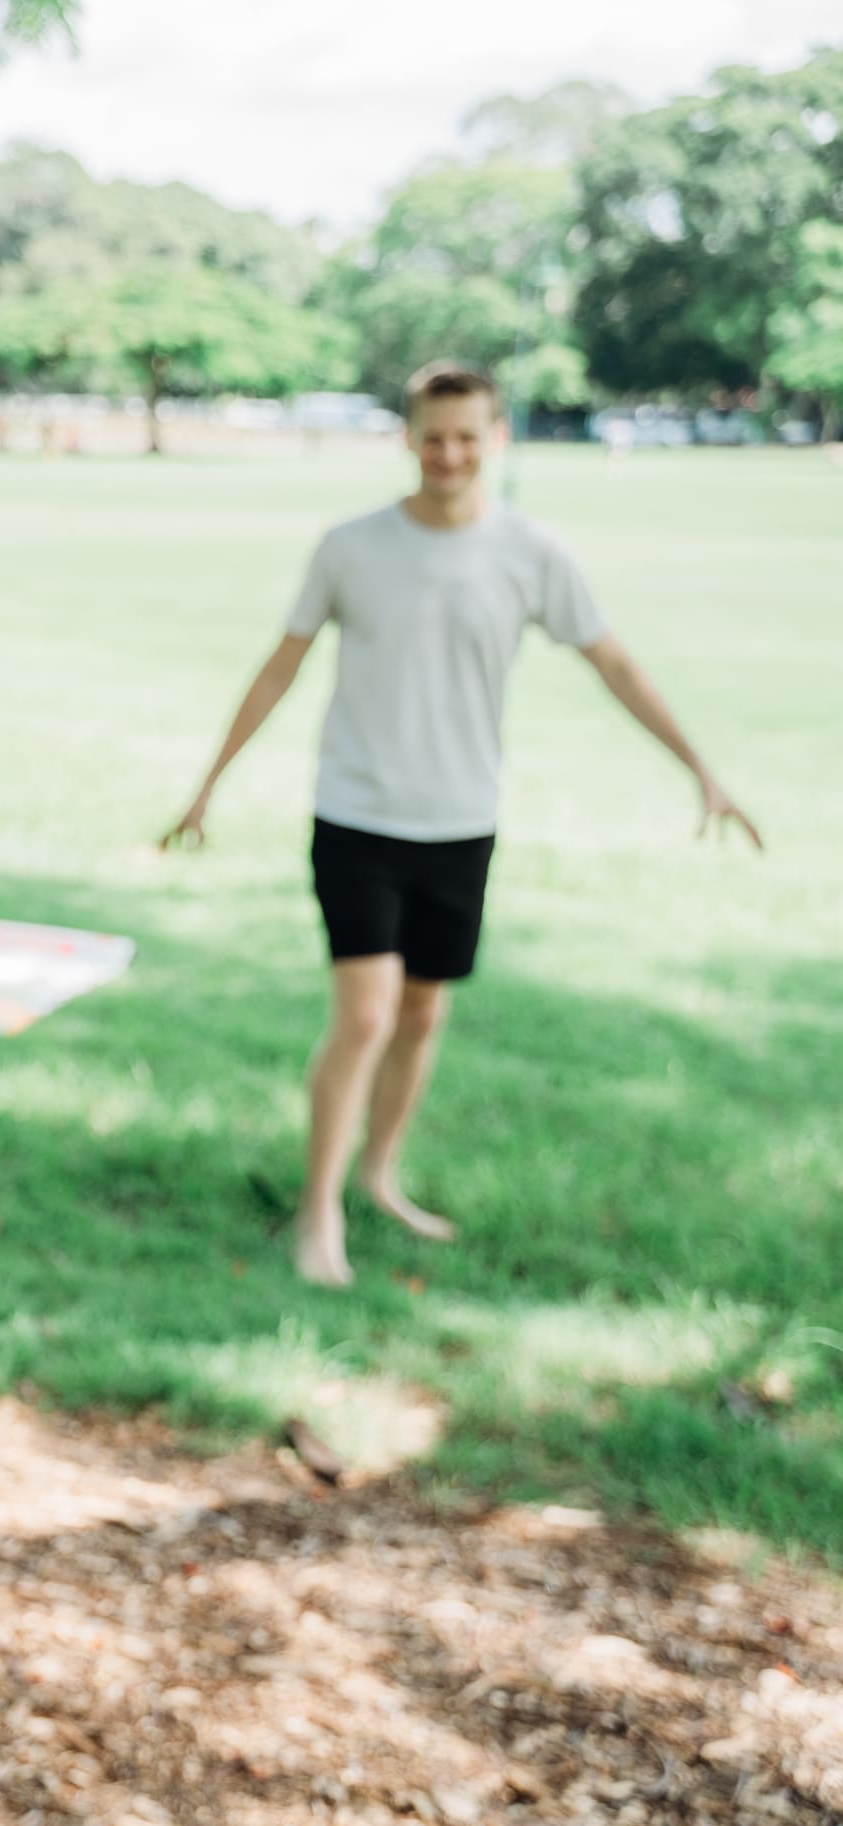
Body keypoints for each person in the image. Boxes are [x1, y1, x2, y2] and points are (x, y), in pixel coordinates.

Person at [164, 360, 763, 1287]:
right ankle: (318, 1212)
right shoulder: (350, 547)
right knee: (363, 1017)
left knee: (420, 1013)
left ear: (495, 439)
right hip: (356, 814)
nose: (449, 454)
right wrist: (208, 784)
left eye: (467, 437)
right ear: (408, 437)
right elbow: (278, 668)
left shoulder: (533, 552)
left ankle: (379, 1174)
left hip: (461, 823)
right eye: (433, 436)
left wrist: (702, 771)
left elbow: (614, 664)